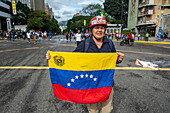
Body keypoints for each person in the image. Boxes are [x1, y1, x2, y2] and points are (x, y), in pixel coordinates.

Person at [46, 16, 124, 113]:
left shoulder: (109, 43)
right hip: (90, 83)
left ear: (105, 30)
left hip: (106, 83)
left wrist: (119, 59)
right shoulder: (85, 44)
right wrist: (53, 58)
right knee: (92, 110)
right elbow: (72, 59)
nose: (99, 30)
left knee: (107, 109)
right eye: (97, 28)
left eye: (102, 28)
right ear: (92, 30)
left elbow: (113, 60)